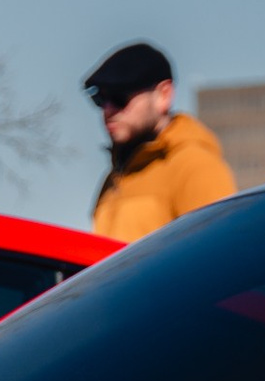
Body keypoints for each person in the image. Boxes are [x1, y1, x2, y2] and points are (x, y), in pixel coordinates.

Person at [83, 41, 235, 243]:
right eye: (100, 99)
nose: (108, 110)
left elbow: (220, 254)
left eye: (119, 98)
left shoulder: (195, 165)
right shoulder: (112, 179)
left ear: (164, 95)